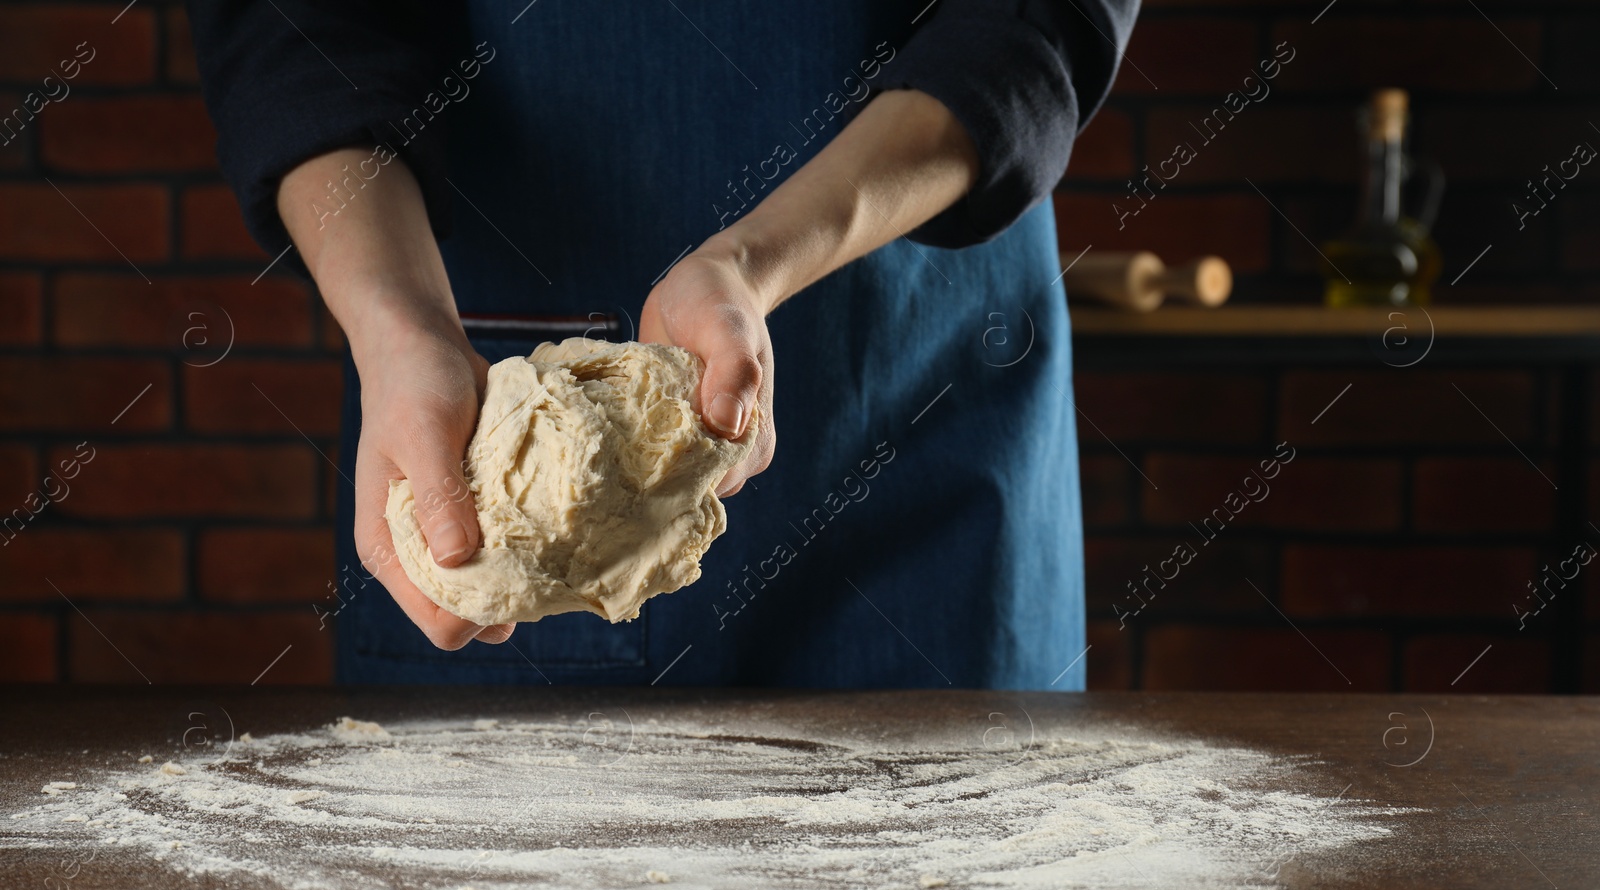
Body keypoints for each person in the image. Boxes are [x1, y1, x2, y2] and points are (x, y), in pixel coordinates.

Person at [188, 0, 1137, 687]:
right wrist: (399, 326)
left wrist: (755, 260)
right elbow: (294, 29)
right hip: (490, 407)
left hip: (922, 417)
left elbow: (1029, 19)